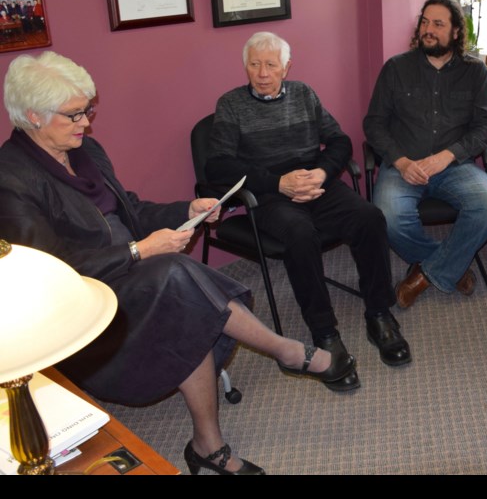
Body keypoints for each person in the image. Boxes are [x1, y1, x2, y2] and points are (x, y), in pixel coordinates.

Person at [0, 52, 355, 475]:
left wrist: (185, 208)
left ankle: (209, 445)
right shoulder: (12, 179)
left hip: (139, 273)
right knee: (176, 277)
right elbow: (48, 274)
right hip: (85, 300)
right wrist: (138, 251)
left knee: (184, 299)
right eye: (75, 114)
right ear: (34, 116)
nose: (86, 122)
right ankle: (285, 351)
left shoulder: (83, 150)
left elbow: (129, 209)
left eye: (87, 110)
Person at [205, 32, 409, 386]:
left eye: (271, 64)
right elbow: (218, 166)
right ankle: (324, 333)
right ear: (245, 66)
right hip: (269, 195)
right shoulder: (231, 105)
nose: (263, 73)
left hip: (317, 184)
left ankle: (379, 313)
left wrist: (322, 172)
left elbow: (340, 141)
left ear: (286, 66)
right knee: (300, 235)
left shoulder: (303, 94)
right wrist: (277, 183)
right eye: (255, 64)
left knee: (370, 218)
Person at [363, 0, 487, 307]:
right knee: (388, 216)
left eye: (438, 24)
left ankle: (427, 275)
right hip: (404, 166)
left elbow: (486, 127)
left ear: (456, 32)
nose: (428, 30)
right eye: (425, 22)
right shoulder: (396, 68)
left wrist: (448, 155)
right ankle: (451, 269)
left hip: (454, 166)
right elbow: (374, 124)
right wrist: (400, 162)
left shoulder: (475, 71)